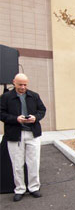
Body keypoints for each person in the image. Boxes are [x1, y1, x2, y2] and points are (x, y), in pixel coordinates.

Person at [0, 73, 46, 201]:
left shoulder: (34, 96)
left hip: (33, 133)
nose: (23, 87)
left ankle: (34, 188)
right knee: (17, 164)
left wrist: (35, 117)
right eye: (20, 84)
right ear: (14, 82)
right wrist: (15, 119)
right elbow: (1, 113)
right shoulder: (5, 97)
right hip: (15, 135)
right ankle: (19, 189)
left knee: (33, 162)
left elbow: (42, 110)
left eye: (25, 84)